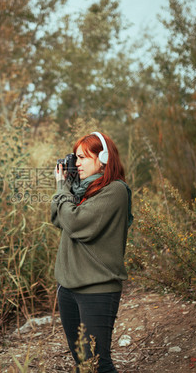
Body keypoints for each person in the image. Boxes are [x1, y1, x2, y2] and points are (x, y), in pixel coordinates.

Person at [51, 132, 133, 373]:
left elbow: (74, 223)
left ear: (104, 158)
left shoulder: (115, 191)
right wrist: (67, 187)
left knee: (98, 364)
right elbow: (58, 218)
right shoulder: (80, 191)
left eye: (83, 158)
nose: (76, 164)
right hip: (68, 287)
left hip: (97, 289)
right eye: (75, 158)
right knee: (82, 363)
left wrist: (62, 188)